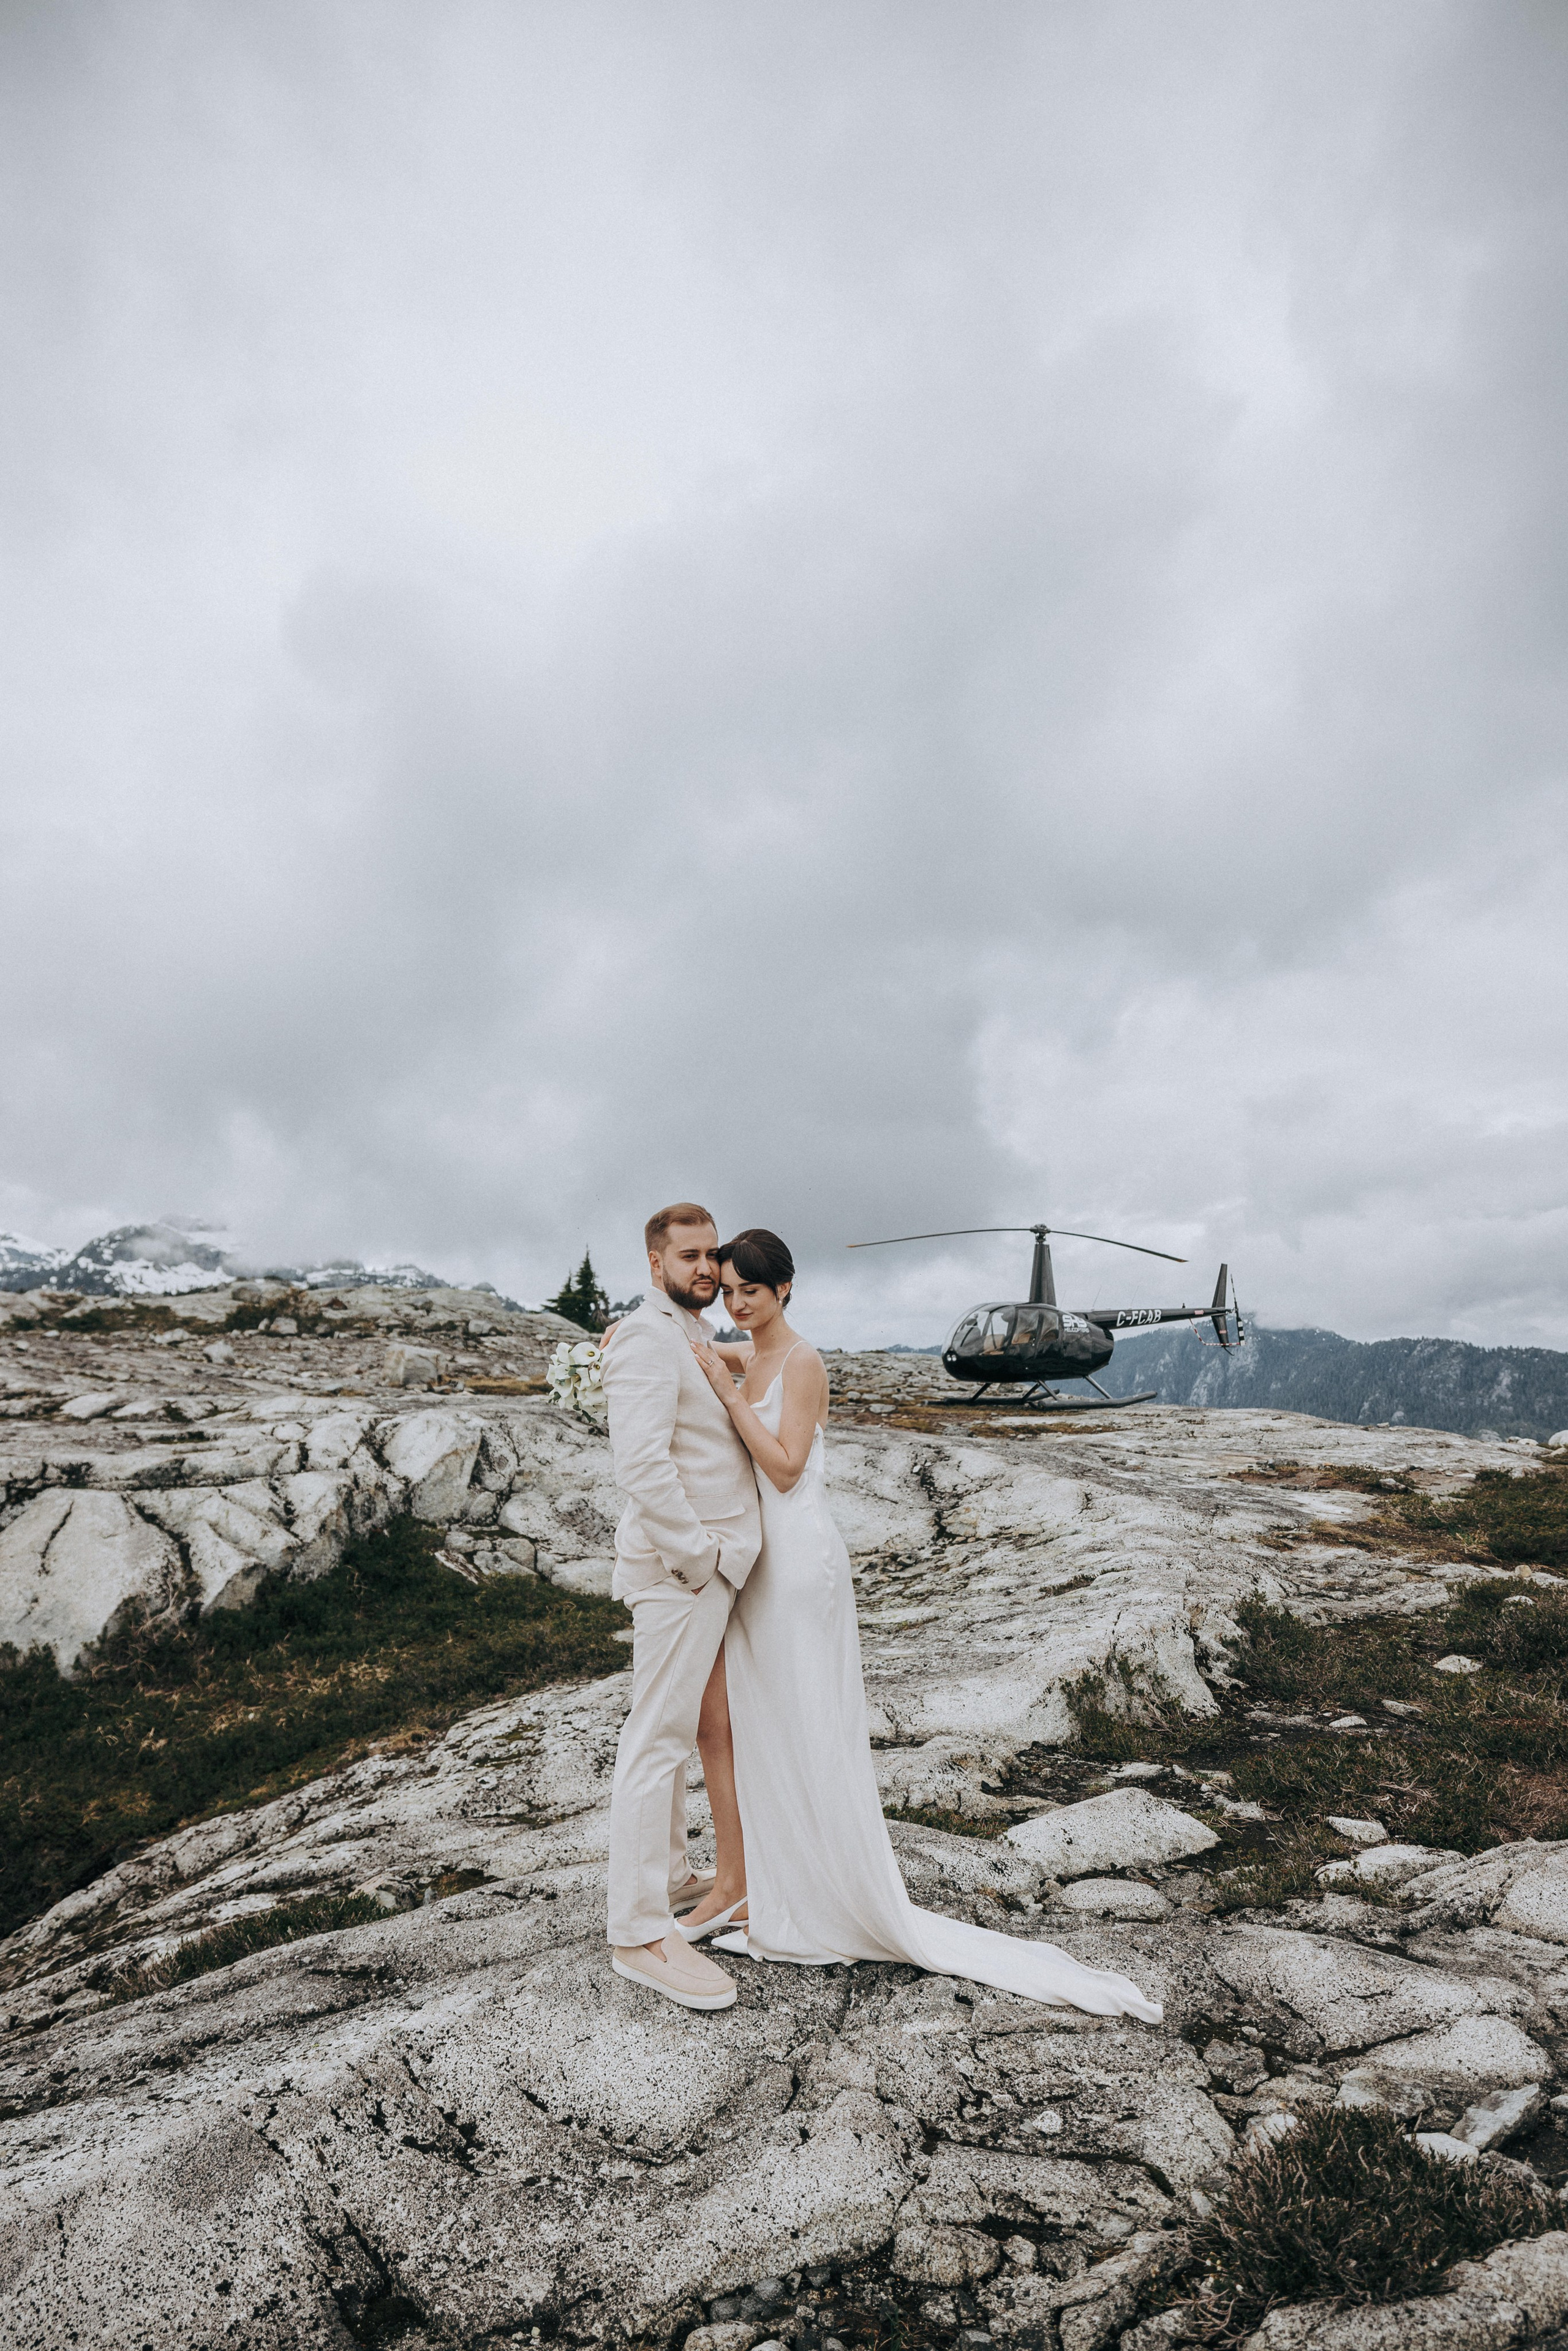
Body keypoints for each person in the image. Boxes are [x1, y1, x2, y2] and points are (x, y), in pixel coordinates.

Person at [684, 1226, 1163, 2024]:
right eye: (729, 1290)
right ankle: (778, 1886)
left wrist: (730, 1394)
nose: (736, 1303)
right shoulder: (753, 1352)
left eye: (751, 1291)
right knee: (771, 1721)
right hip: (763, 1566)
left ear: (786, 1290)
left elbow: (786, 1464)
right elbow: (707, 1354)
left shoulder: (799, 1361)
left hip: (800, 1565)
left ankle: (825, 1896)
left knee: (807, 1721)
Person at [598, 1203, 762, 2012]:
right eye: (690, 1255)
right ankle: (636, 1933)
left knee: (668, 1730)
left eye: (713, 1254)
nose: (707, 1267)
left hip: (701, 1570)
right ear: (655, 1261)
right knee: (657, 1738)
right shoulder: (645, 1335)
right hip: (681, 1572)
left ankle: (665, 1876)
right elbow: (642, 1466)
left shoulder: (690, 1333)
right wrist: (701, 1558)